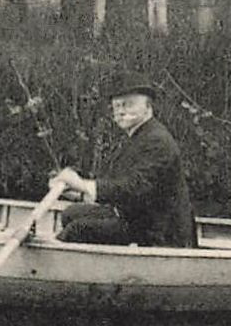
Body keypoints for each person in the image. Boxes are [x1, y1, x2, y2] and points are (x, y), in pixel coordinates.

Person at [50, 72, 196, 248]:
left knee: (78, 229)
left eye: (128, 105)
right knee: (70, 213)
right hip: (139, 218)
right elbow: (119, 184)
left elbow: (135, 188)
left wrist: (82, 184)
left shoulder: (156, 141)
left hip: (161, 232)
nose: (120, 111)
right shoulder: (138, 137)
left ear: (148, 107)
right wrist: (79, 191)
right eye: (116, 106)